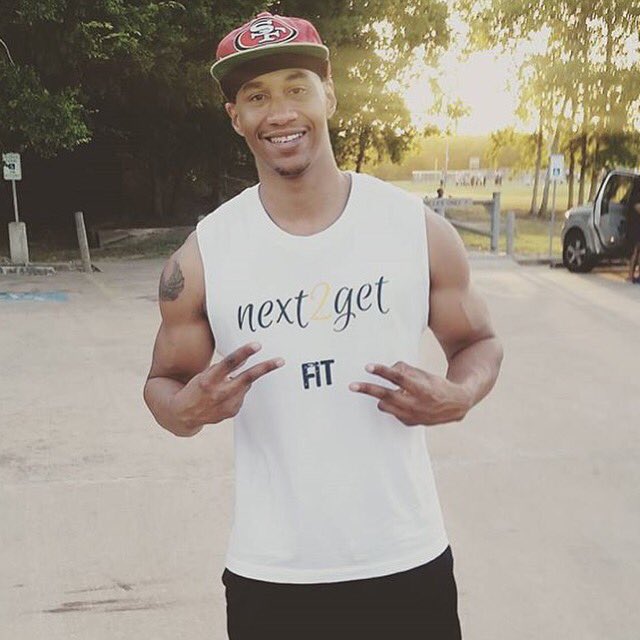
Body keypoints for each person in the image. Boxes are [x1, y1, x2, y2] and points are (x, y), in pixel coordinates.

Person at [143, 11, 503, 639]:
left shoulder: (412, 229)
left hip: (405, 559)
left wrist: (460, 394)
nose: (280, 112)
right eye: (257, 96)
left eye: (296, 87)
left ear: (328, 95)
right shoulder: (203, 256)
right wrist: (185, 410)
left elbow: (479, 342)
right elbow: (163, 384)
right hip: (272, 574)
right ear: (235, 117)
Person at [626, 182, 640, 283]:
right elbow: (637, 207)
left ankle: (633, 275)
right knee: (635, 250)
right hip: (636, 226)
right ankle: (631, 275)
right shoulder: (636, 196)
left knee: (637, 251)